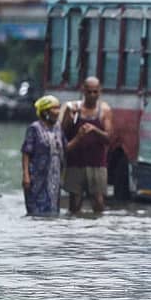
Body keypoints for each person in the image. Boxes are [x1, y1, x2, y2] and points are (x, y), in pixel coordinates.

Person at [61, 76, 112, 214]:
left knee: (98, 202)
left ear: (100, 92)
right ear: (83, 90)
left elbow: (109, 138)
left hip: (97, 163)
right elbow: (62, 135)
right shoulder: (73, 108)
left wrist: (94, 130)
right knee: (75, 203)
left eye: (95, 92)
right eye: (89, 92)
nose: (92, 95)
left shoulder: (104, 111)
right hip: (75, 163)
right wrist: (70, 119)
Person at [21, 95, 69, 216]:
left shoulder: (58, 127)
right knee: (35, 211)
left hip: (54, 177)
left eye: (58, 108)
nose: (58, 112)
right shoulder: (34, 128)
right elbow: (26, 152)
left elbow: (65, 147)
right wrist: (26, 175)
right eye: (54, 108)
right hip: (37, 177)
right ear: (45, 112)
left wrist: (80, 137)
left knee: (53, 211)